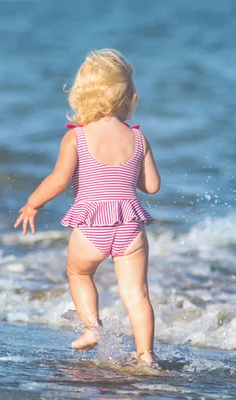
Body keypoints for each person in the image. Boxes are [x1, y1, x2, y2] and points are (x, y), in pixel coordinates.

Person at [14, 49, 160, 367]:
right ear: (128, 97)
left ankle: (92, 329)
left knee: (79, 272)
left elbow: (58, 181)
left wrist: (32, 204)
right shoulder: (138, 139)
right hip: (130, 225)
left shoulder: (77, 138)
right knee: (137, 293)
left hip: (92, 225)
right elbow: (151, 186)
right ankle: (146, 355)